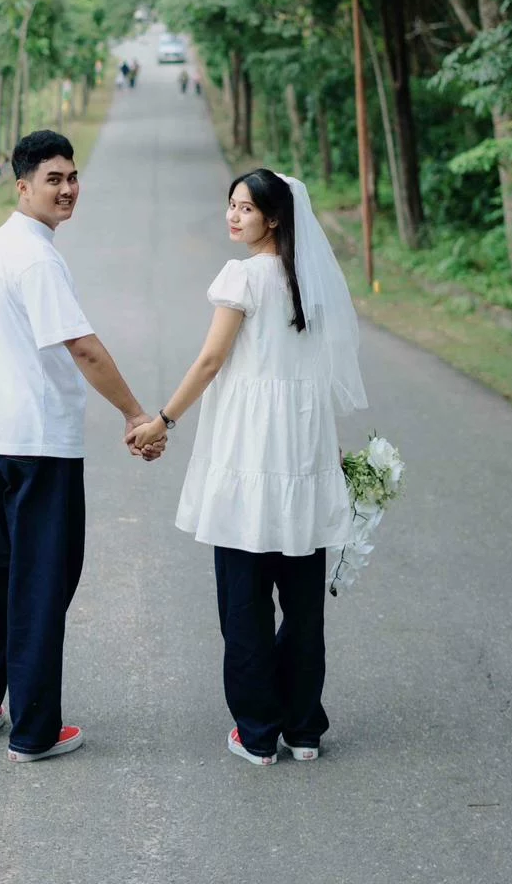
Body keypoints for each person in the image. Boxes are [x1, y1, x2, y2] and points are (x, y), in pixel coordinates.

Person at [128, 169, 367, 767]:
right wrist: (326, 449)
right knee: (303, 603)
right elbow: (316, 373)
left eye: (246, 208)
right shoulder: (308, 281)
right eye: (231, 205)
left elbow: (211, 360)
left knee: (244, 601)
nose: (233, 216)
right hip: (300, 453)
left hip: (249, 454)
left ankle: (258, 733)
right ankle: (304, 729)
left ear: (275, 217)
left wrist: (164, 420)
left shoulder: (244, 276)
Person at [0, 130, 165, 765]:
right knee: (39, 582)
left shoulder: (2, 242)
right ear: (23, 187)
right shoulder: (36, 258)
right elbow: (84, 348)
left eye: (72, 177)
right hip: (36, 444)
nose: (68, 189)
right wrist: (136, 414)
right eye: (53, 180)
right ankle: (35, 731)